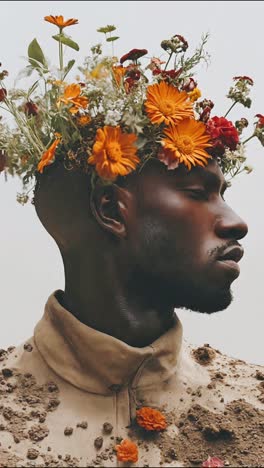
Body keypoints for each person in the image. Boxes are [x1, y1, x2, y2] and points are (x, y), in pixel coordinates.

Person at [0, 16, 264, 468]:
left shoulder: (254, 404)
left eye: (224, 194)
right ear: (109, 210)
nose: (236, 223)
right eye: (199, 193)